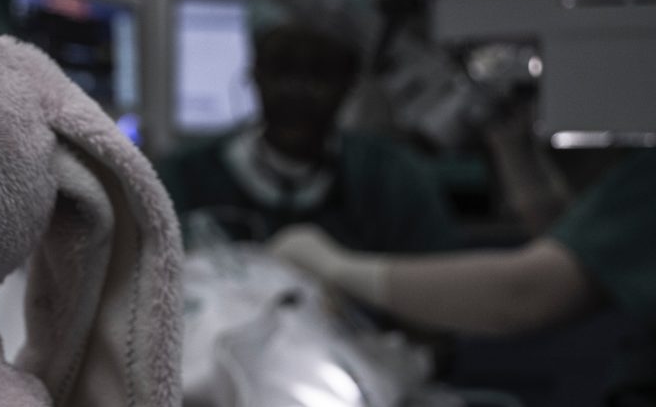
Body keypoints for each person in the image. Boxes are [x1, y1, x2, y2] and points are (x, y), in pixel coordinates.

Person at [270, 148, 656, 405]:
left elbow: (522, 293)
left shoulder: (384, 173)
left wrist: (336, 266)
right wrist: (511, 143)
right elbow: (588, 247)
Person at [159, 0, 456, 253]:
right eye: (282, 67)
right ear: (255, 72)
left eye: (320, 70)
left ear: (349, 82)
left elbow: (434, 282)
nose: (297, 91)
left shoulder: (394, 182)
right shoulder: (185, 179)